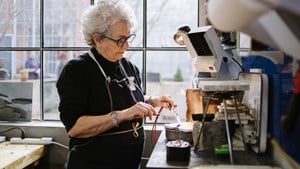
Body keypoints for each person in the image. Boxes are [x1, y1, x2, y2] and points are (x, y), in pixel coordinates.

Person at [56, 1, 176, 169]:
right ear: (97, 39)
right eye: (120, 40)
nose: (126, 45)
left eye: (128, 38)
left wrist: (153, 101)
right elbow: (75, 128)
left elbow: (129, 100)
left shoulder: (128, 67)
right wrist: (122, 115)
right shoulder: (77, 71)